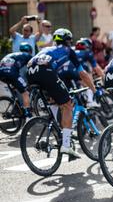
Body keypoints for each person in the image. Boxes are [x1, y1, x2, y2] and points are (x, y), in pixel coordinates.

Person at [27, 28, 101, 159]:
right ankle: (66, 144)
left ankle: (58, 129)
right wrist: (94, 90)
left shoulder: (48, 49)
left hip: (31, 72)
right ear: (68, 41)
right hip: (45, 71)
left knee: (54, 101)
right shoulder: (68, 50)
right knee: (67, 104)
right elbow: (82, 74)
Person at [0, 43, 34, 118]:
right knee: (25, 93)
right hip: (11, 73)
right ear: (30, 51)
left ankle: (16, 107)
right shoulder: (28, 56)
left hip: (1, 73)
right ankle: (28, 116)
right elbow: (33, 69)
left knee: (15, 89)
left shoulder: (14, 54)